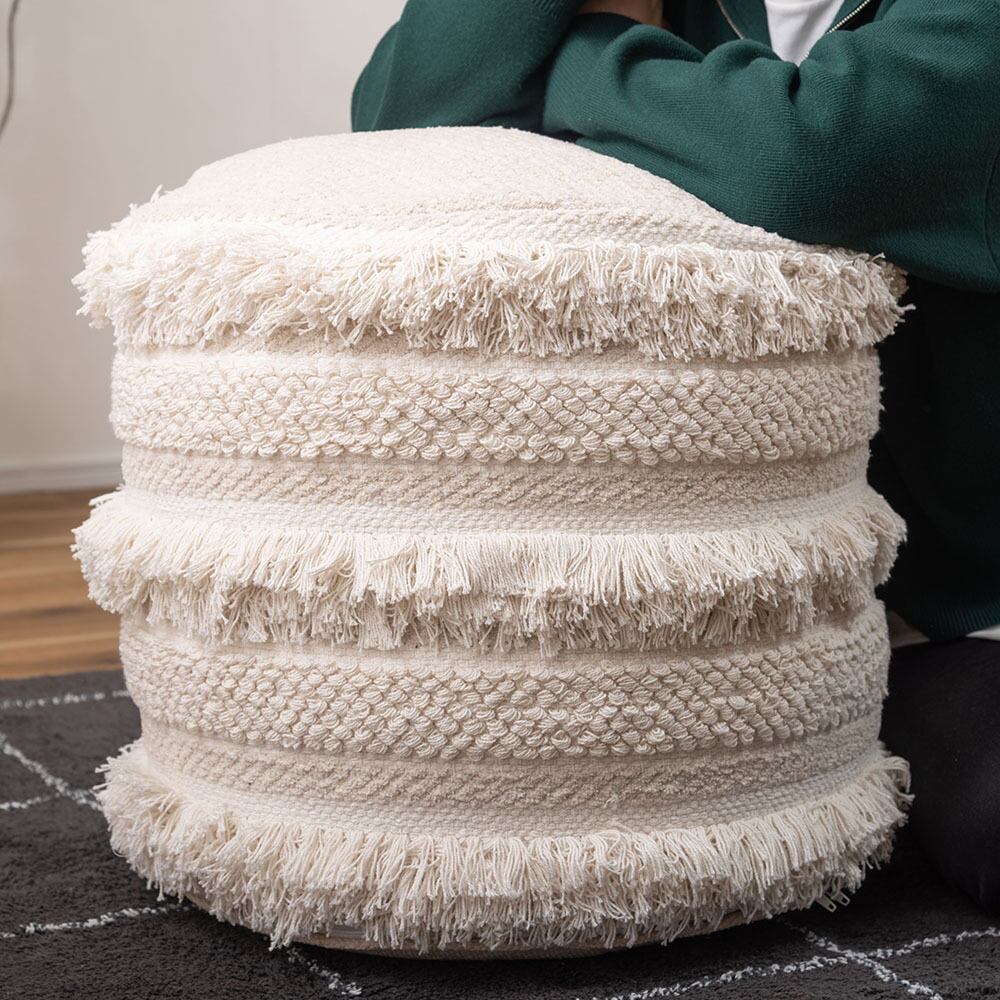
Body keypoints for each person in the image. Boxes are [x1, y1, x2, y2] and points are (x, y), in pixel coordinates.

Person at [352, 0, 1000, 911]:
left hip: (970, 600)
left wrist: (576, 58)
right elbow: (402, 119)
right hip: (792, 598)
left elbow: (802, 161)